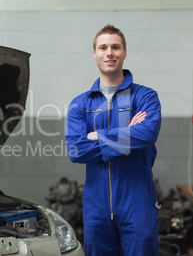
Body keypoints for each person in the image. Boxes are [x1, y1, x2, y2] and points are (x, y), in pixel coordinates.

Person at [65, 24, 162, 255]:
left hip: (137, 200)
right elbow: (77, 151)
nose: (110, 53)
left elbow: (147, 134)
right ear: (94, 54)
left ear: (125, 52)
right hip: (96, 205)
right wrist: (128, 135)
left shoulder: (145, 96)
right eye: (103, 47)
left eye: (116, 47)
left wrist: (98, 136)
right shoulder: (81, 104)